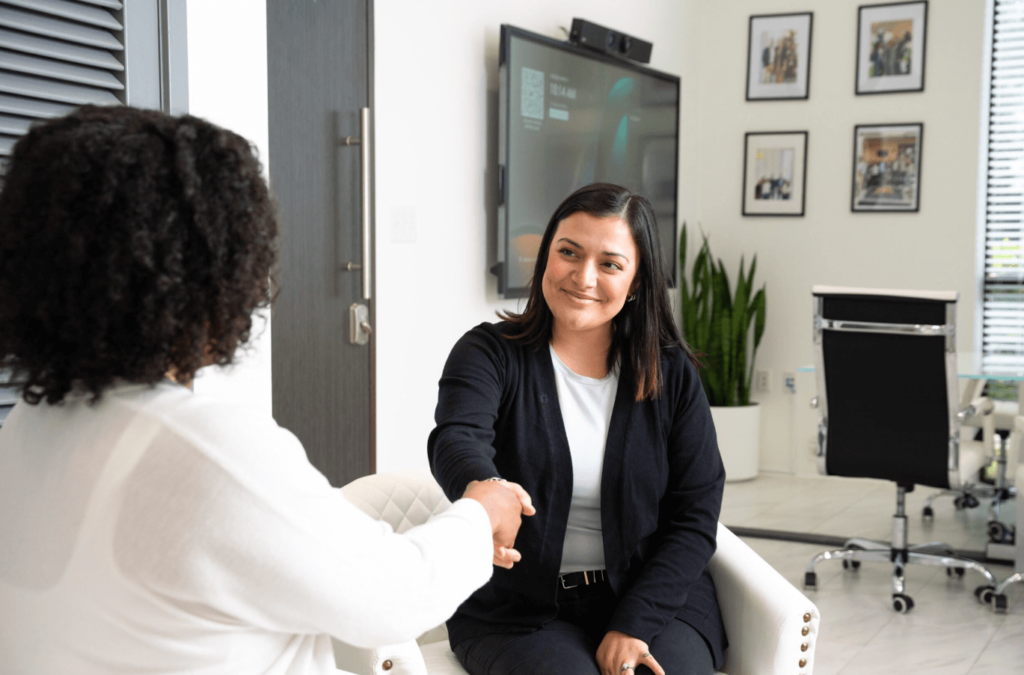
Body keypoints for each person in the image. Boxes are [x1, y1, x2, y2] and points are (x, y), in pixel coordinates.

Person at [0, 105, 533, 675]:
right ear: (216, 271)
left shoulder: (30, 427)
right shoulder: (202, 447)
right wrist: (480, 512)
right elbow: (395, 596)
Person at [429, 183, 727, 675]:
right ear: (547, 255)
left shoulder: (670, 372)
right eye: (568, 252)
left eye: (610, 263)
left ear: (635, 282)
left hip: (653, 598)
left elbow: (695, 511)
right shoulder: (488, 352)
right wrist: (488, 488)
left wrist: (635, 622)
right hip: (519, 613)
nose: (583, 276)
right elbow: (457, 437)